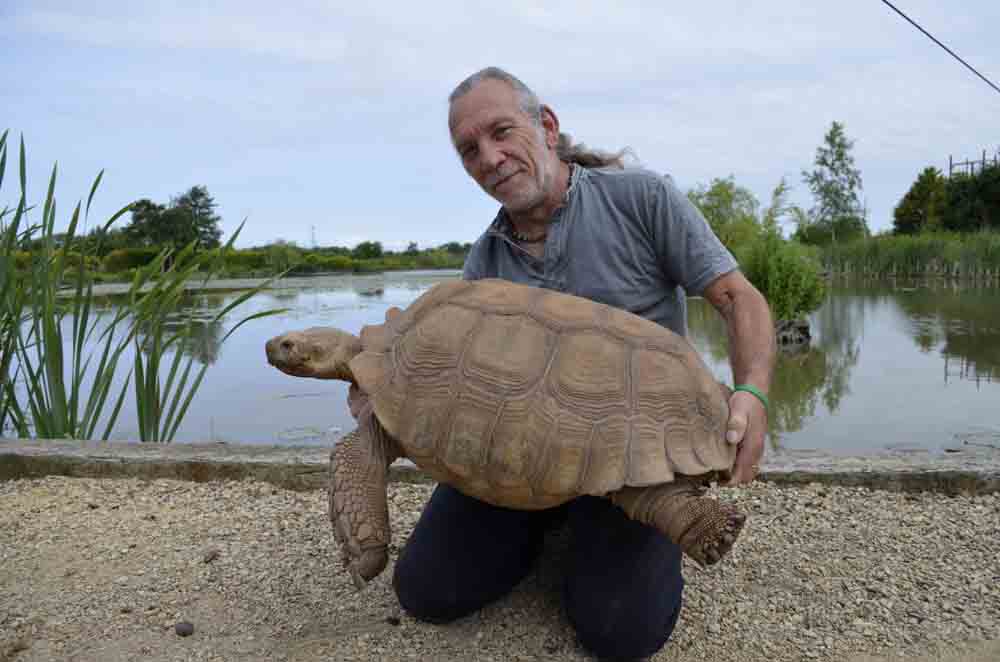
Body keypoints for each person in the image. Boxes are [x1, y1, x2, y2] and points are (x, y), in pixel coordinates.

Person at [360, 67, 776, 661]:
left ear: (547, 126)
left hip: (634, 459)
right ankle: (546, 527)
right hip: (520, 461)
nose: (490, 157)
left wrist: (752, 393)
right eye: (469, 150)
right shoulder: (483, 265)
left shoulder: (641, 198)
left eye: (502, 131)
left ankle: (622, 526)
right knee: (428, 592)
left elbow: (738, 297)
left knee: (619, 633)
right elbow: (451, 385)